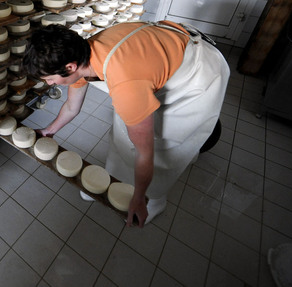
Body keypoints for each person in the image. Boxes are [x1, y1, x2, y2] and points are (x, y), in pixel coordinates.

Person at [22, 21, 230, 227]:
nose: (49, 84)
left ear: (70, 67)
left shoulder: (125, 82)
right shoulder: (80, 54)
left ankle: (153, 198)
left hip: (197, 71)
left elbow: (145, 152)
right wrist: (49, 131)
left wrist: (139, 198)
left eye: (49, 79)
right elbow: (71, 107)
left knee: (167, 142)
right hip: (158, 57)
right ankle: (111, 181)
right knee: (124, 131)